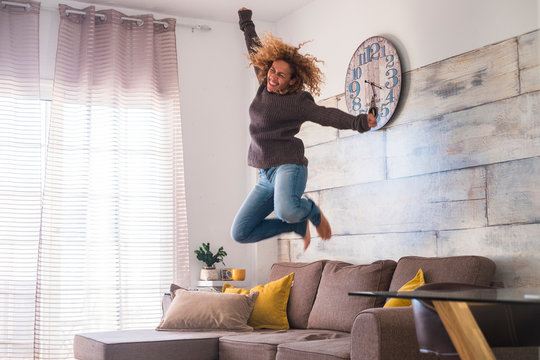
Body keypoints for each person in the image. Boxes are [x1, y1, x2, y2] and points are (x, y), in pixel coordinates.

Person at [231, 8, 377, 251]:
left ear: (292, 81)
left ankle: (310, 211)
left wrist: (359, 122)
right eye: (271, 70)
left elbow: (326, 115)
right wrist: (246, 21)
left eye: (280, 75)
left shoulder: (298, 101)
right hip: (265, 175)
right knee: (240, 232)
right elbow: (255, 48)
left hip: (289, 166)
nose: (272, 77)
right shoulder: (262, 84)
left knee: (286, 209)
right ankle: (295, 226)